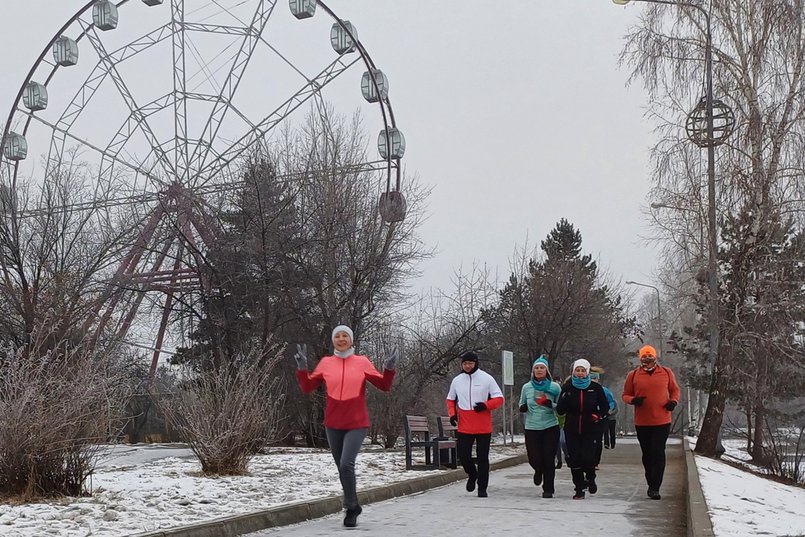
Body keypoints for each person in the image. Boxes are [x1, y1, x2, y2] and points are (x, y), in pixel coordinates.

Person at [294, 325, 397, 527]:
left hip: (356, 423)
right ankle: (354, 505)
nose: (341, 339)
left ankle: (351, 508)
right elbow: (307, 387)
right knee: (341, 468)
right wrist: (302, 368)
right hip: (333, 423)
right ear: (333, 340)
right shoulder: (326, 363)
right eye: (337, 336)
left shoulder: (362, 362)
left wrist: (389, 369)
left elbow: (384, 385)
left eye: (345, 336)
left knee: (346, 464)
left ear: (351, 340)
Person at [622, 344, 681, 501]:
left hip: (662, 420)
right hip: (642, 422)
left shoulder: (666, 372)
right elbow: (625, 395)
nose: (647, 359)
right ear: (640, 358)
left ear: (656, 357)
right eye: (644, 356)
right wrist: (634, 400)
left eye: (650, 356)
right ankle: (650, 481)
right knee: (647, 454)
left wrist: (673, 402)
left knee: (658, 452)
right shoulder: (633, 375)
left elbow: (675, 390)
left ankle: (655, 487)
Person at [446, 351, 504, 498]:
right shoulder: (457, 380)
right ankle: (472, 474)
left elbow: (499, 398)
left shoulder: (487, 378)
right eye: (465, 363)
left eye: (470, 363)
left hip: (483, 424)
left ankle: (482, 488)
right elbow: (450, 399)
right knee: (463, 455)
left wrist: (485, 405)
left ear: (476, 363)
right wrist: (452, 414)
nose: (467, 366)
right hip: (465, 424)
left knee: (482, 457)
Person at [556, 358, 610, 500]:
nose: (580, 374)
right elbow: (560, 410)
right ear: (573, 372)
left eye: (582, 371)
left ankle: (591, 478)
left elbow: (605, 407)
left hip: (590, 427)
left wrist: (597, 415)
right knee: (574, 459)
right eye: (577, 371)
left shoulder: (595, 388)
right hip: (572, 427)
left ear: (587, 372)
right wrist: (564, 398)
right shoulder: (567, 387)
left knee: (587, 458)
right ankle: (579, 487)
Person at [518, 355, 562, 498]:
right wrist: (523, 407)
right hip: (532, 427)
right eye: (536, 368)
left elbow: (561, 408)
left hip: (550, 425)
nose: (539, 370)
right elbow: (521, 403)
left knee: (549, 458)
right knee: (534, 458)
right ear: (533, 371)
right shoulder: (527, 387)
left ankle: (548, 488)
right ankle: (538, 470)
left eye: (542, 368)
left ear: (546, 370)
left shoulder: (554, 387)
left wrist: (550, 404)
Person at [590, 370, 617, 467]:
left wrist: (608, 410)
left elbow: (611, 401)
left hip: (601, 417)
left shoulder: (604, 390)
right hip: (588, 417)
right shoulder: (585, 389)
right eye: (591, 378)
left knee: (597, 439)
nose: (593, 380)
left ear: (598, 379)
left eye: (594, 378)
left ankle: (596, 462)